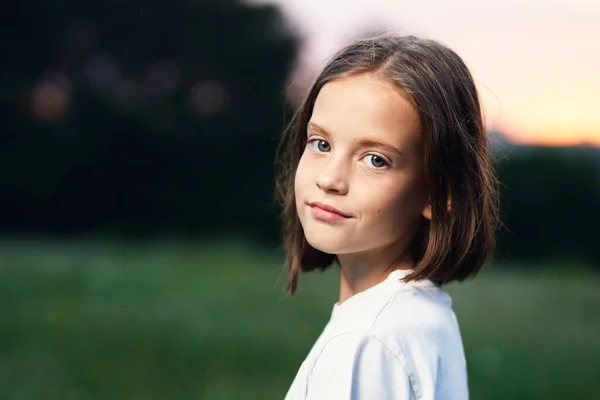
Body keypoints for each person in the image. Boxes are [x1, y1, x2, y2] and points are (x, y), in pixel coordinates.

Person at [274, 33, 500, 399]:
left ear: (439, 194)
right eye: (321, 144)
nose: (330, 178)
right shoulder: (422, 317)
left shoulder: (366, 342)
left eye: (376, 159)